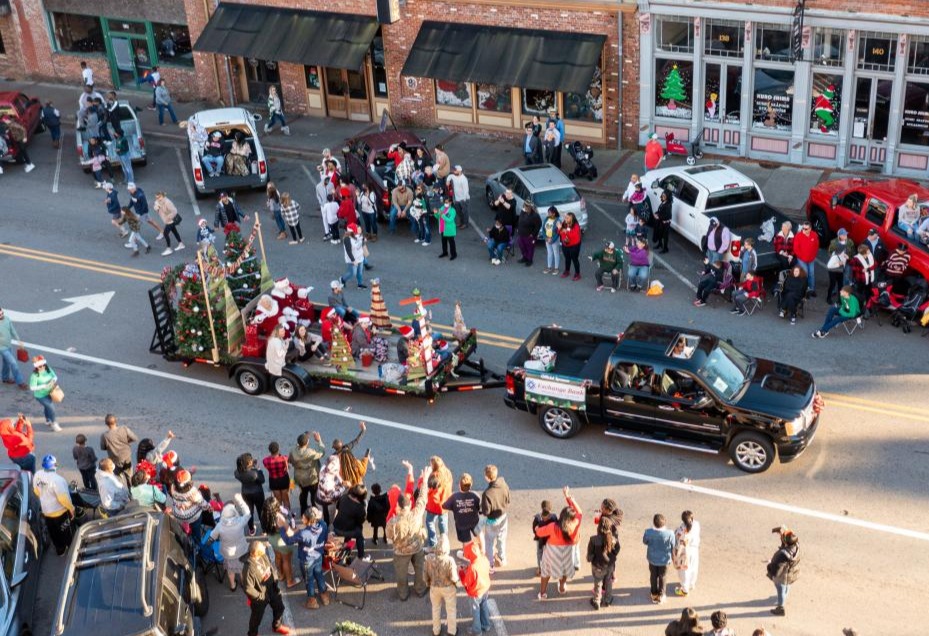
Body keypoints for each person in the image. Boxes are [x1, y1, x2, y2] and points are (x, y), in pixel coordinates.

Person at [387, 464, 433, 601]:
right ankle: (420, 589)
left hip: (401, 551)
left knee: (401, 573)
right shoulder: (416, 514)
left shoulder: (393, 522)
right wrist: (425, 480)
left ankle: (403, 594)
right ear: (408, 505)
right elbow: (422, 499)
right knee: (420, 569)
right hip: (417, 547)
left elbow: (390, 537)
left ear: (399, 507)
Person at [535, 486, 582, 599]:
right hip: (567, 552)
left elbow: (539, 533)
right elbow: (579, 512)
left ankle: (543, 593)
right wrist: (569, 498)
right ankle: (561, 587)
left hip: (552, 552)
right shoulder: (575, 524)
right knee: (564, 570)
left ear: (560, 516)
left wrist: (537, 528)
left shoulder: (553, 527)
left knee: (546, 572)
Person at [280, 506, 330, 609]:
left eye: (303, 517)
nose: (302, 518)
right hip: (318, 556)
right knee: (319, 574)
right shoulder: (323, 525)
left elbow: (289, 541)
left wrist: (282, 528)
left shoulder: (304, 534)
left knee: (309, 580)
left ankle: (312, 600)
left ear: (308, 519)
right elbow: (324, 539)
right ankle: (324, 596)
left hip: (307, 560)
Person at [242, 539, 292, 636]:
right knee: (256, 618)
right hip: (260, 597)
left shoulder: (263, 556)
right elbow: (248, 588)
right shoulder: (248, 569)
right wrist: (260, 596)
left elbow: (270, 567)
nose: (264, 553)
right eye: (262, 551)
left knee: (279, 607)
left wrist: (275, 580)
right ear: (255, 553)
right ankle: (253, 634)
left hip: (271, 589)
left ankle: (277, 626)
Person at [33, 455, 75, 555]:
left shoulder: (38, 474)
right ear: (55, 465)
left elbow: (36, 491)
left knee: (54, 533)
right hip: (60, 513)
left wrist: (45, 496)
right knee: (66, 531)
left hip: (47, 512)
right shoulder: (58, 480)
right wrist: (71, 508)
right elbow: (63, 499)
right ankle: (72, 548)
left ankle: (60, 550)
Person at [209, 494, 251, 590]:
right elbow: (248, 513)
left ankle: (232, 586)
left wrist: (208, 544)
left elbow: (211, 538)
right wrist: (240, 500)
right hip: (241, 552)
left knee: (230, 570)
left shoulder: (220, 525)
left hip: (227, 554)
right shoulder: (240, 522)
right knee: (241, 569)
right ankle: (243, 584)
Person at [260, 496, 300, 589]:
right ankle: (290, 581)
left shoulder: (264, 514)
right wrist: (297, 529)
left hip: (272, 540)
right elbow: (289, 533)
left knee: (278, 557)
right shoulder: (279, 517)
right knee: (286, 561)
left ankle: (281, 575)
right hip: (283, 542)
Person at [424, 533, 459, 636]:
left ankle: (436, 630)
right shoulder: (449, 560)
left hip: (434, 587)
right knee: (451, 610)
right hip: (448, 588)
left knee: (435, 608)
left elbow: (425, 573)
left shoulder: (429, 558)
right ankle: (452, 631)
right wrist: (456, 583)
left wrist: (427, 583)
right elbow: (454, 577)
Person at [480, 464, 510, 572]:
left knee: (489, 541)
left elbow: (486, 512)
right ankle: (502, 558)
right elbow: (508, 499)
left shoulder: (487, 493)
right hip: (503, 516)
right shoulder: (503, 483)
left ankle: (490, 565)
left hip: (492, 520)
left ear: (487, 477)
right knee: (501, 538)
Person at [459, 536, 492, 635]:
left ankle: (477, 630)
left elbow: (466, 582)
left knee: (475, 610)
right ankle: (486, 625)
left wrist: (461, 572)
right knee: (484, 605)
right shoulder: (483, 558)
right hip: (485, 588)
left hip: (476, 592)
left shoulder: (472, 567)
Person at [766, 526, 800, 616]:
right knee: (787, 586)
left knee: (780, 590)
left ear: (785, 542)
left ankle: (781, 608)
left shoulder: (783, 555)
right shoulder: (796, 546)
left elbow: (777, 568)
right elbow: (790, 535)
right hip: (791, 573)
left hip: (781, 577)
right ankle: (784, 596)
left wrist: (769, 567)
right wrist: (781, 530)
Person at [170, 468, 211, 545]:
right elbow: (202, 503)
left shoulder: (173, 487)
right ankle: (197, 543)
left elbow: (182, 482)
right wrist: (209, 507)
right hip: (192, 517)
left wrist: (189, 473)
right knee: (196, 529)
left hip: (179, 515)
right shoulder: (192, 492)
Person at [587, 515, 619, 610]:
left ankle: (597, 601)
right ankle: (608, 600)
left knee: (598, 582)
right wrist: (613, 555)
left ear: (598, 527)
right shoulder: (613, 539)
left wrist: (590, 559)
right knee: (608, 581)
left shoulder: (593, 539)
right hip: (609, 565)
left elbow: (590, 554)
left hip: (597, 565)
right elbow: (617, 549)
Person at [289, 431, 326, 515]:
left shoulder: (293, 451)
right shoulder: (310, 452)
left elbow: (290, 460)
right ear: (308, 442)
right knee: (313, 496)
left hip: (299, 478)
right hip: (311, 478)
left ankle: (303, 512)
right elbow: (322, 452)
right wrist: (319, 440)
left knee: (303, 494)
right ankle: (313, 512)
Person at [643, 513, 676, 603]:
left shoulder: (648, 532)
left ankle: (654, 593)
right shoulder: (670, 533)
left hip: (652, 559)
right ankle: (661, 595)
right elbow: (673, 545)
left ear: (653, 523)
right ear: (664, 523)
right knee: (663, 577)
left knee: (653, 576)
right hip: (664, 560)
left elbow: (645, 541)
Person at [442, 473, 481, 546]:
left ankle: (466, 554)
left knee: (466, 541)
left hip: (461, 523)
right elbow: (480, 508)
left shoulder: (454, 497)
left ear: (459, 485)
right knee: (479, 534)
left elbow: (444, 506)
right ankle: (482, 549)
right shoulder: (475, 495)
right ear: (471, 484)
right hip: (474, 521)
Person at [332, 483, 368, 558]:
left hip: (336, 527)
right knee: (359, 536)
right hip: (348, 529)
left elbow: (338, 508)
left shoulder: (343, 497)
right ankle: (361, 556)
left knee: (349, 525)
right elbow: (360, 521)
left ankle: (346, 547)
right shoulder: (360, 507)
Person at [425, 456, 454, 548]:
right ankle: (444, 542)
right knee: (443, 522)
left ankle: (433, 544)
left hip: (434, 506)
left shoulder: (434, 476)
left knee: (429, 522)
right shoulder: (448, 473)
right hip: (445, 503)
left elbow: (430, 490)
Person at [28, 356, 61, 432]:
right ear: (36, 367)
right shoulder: (34, 375)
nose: (42, 367)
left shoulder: (48, 369)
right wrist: (43, 386)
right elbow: (32, 388)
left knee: (47, 407)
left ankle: (48, 420)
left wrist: (53, 380)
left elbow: (55, 376)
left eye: (43, 365)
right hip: (40, 396)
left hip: (50, 392)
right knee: (51, 407)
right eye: (40, 366)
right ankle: (54, 423)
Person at [99, 414, 137, 480]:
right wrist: (126, 441)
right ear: (116, 421)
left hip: (115, 459)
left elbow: (103, 447)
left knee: (118, 477)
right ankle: (131, 489)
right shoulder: (124, 428)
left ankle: (120, 489)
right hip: (126, 456)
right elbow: (134, 438)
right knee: (129, 476)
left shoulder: (104, 436)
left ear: (106, 424)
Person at [235, 452, 265, 534]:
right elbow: (262, 480)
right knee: (261, 511)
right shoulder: (254, 473)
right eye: (251, 460)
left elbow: (244, 471)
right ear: (248, 463)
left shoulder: (237, 473)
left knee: (249, 512)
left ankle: (251, 529)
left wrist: (252, 467)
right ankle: (264, 530)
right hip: (258, 493)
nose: (252, 460)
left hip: (245, 493)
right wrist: (258, 469)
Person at [673, 510, 701, 596]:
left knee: (684, 571)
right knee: (694, 568)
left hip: (685, 553)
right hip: (694, 550)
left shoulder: (681, 530)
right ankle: (691, 584)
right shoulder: (697, 524)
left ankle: (685, 590)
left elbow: (677, 538)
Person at [0, 306, 27, 390]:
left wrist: (19, 340)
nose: (2, 315)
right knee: (13, 363)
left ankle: (5, 378)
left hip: (8, 345)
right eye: (0, 315)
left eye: (2, 313)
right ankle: (20, 382)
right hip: (2, 348)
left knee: (6, 363)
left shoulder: (7, 319)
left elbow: (12, 330)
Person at [826, 228, 855, 303]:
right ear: (840, 236)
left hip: (843, 267)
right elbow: (829, 253)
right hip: (834, 267)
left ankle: (840, 299)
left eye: (846, 234)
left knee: (840, 284)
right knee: (832, 283)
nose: (846, 235)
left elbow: (852, 252)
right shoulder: (834, 243)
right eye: (844, 234)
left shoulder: (850, 242)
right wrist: (837, 259)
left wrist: (849, 257)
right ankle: (828, 298)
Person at [793, 221, 820, 296]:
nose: (803, 230)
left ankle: (811, 289)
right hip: (802, 259)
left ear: (810, 229)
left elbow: (816, 246)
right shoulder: (798, 236)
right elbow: (796, 249)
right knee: (805, 274)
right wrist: (802, 257)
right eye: (803, 228)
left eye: (806, 229)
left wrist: (813, 256)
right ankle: (805, 290)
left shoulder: (814, 235)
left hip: (811, 259)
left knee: (811, 274)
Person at [531, 500, 557, 575]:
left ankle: (540, 569)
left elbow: (534, 529)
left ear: (541, 507)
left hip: (540, 539)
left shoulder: (537, 517)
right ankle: (551, 568)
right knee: (551, 553)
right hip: (550, 539)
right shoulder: (553, 516)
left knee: (540, 553)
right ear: (551, 508)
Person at [154, 191, 184, 256]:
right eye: (156, 197)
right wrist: (156, 208)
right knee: (174, 231)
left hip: (170, 221)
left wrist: (168, 217)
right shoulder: (157, 202)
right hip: (166, 220)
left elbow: (174, 211)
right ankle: (181, 244)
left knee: (165, 233)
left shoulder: (168, 202)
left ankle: (169, 249)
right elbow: (155, 206)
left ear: (163, 196)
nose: (158, 199)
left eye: (159, 197)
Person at [263, 441, 291, 509]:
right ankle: (287, 514)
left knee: (277, 500)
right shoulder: (284, 458)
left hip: (273, 480)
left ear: (270, 450)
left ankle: (279, 516)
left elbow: (267, 467)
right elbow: (288, 466)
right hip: (284, 479)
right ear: (278, 449)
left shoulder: (265, 460)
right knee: (286, 499)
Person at [515, 202, 542, 267]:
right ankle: (525, 257)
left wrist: (533, 234)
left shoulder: (535, 216)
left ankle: (529, 260)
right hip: (521, 234)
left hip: (529, 236)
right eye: (524, 207)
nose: (524, 208)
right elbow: (520, 220)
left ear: (530, 208)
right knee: (522, 246)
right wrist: (518, 228)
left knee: (530, 248)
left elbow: (538, 225)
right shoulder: (523, 212)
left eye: (526, 207)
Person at [341, 224, 367, 289]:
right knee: (352, 273)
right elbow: (348, 251)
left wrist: (364, 240)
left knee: (360, 272)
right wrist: (353, 260)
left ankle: (360, 284)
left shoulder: (358, 235)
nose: (358, 230)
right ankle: (342, 279)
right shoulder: (347, 239)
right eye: (356, 229)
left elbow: (361, 241)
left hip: (360, 257)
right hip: (352, 259)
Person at [559, 212, 582, 280]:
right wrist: (560, 229)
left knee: (575, 259)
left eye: (567, 218)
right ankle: (567, 271)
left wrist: (565, 231)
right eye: (565, 217)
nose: (565, 219)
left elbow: (573, 235)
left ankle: (577, 274)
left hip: (574, 245)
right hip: (565, 244)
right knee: (567, 258)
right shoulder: (564, 223)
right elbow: (559, 231)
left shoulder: (576, 225)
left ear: (571, 219)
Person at [436, 195, 458, 260]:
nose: (446, 204)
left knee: (451, 243)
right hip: (443, 229)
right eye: (445, 202)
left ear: (450, 202)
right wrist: (436, 213)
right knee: (443, 242)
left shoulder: (453, 210)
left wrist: (442, 215)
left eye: (447, 202)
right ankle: (445, 252)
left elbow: (450, 220)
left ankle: (454, 254)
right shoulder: (442, 208)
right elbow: (438, 217)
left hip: (449, 230)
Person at [542, 207, 562, 274]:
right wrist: (546, 237)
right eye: (548, 212)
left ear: (554, 213)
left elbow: (558, 232)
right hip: (547, 239)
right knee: (549, 253)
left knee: (556, 253)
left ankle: (556, 268)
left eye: (549, 213)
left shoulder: (558, 221)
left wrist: (552, 239)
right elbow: (543, 229)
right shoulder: (547, 218)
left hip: (554, 240)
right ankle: (549, 267)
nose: (548, 214)